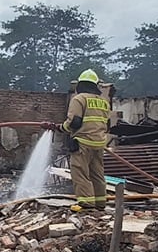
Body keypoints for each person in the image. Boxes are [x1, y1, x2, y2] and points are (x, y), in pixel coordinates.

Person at [43, 69, 111, 212]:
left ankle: (85, 203)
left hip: (83, 142)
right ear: (95, 85)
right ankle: (100, 203)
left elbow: (74, 122)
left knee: (80, 172)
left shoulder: (79, 99)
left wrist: (61, 128)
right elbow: (108, 124)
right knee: (97, 174)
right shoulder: (103, 102)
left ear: (81, 84)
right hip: (99, 143)